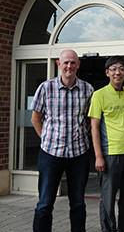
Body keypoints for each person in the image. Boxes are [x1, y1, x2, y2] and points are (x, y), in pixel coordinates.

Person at [31, 49, 94, 232]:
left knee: (78, 203)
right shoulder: (45, 88)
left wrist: (82, 134)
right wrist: (46, 137)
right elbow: (36, 118)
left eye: (73, 62)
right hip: (50, 154)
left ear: (78, 65)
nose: (69, 66)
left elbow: (90, 120)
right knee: (45, 203)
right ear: (58, 64)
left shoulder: (88, 89)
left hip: (79, 154)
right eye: (65, 62)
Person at [88, 56, 124, 232]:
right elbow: (94, 127)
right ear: (107, 72)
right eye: (113, 69)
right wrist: (98, 156)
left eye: (121, 69)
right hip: (109, 154)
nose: (118, 72)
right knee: (108, 200)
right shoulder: (99, 95)